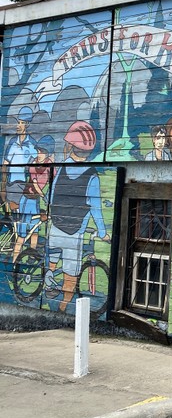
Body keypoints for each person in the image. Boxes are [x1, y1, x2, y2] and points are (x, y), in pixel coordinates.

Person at [45, 121, 108, 312]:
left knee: (53, 258)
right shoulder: (92, 175)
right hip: (75, 232)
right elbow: (96, 208)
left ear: (69, 146)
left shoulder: (61, 168)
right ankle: (64, 307)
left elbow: (52, 194)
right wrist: (103, 232)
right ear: (89, 152)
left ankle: (49, 279)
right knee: (70, 274)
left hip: (56, 225)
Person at [14, 135, 54, 261]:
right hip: (27, 200)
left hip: (35, 201)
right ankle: (14, 260)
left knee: (35, 230)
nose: (39, 154)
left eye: (42, 152)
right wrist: (45, 198)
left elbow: (54, 180)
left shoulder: (50, 165)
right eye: (38, 151)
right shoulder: (32, 163)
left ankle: (32, 255)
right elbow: (36, 185)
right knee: (22, 235)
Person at [2, 107, 37, 216]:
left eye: (21, 123)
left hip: (23, 185)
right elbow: (5, 165)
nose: (18, 126)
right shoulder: (13, 142)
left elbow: (36, 167)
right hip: (10, 185)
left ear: (27, 124)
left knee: (21, 214)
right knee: (10, 214)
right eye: (18, 122)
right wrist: (3, 186)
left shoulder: (32, 144)